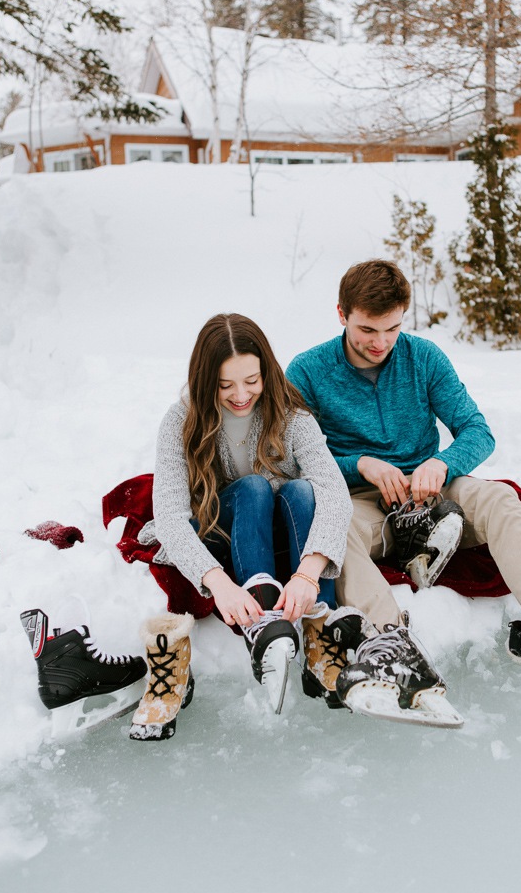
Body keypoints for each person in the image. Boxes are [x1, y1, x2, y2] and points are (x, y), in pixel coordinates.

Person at [286, 259, 521, 685]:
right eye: (367, 330)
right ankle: (393, 648)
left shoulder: (423, 357)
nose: (382, 342)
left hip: (433, 494)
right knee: (334, 531)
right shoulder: (307, 371)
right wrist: (357, 464)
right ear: (342, 314)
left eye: (393, 329)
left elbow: (478, 431)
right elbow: (290, 460)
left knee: (499, 498)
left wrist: (442, 463)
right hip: (361, 502)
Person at [130, 312, 353, 737]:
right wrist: (219, 583)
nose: (240, 395)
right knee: (251, 487)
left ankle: (320, 631)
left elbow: (334, 491)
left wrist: (308, 572)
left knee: (303, 492)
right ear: (204, 380)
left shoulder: (292, 416)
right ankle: (262, 621)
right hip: (221, 528)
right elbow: (172, 517)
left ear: (265, 370)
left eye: (251, 380)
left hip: (285, 539)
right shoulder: (180, 422)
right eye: (225, 384)